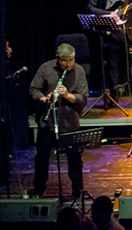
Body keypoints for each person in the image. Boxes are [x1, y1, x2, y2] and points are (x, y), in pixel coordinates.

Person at [29, 43, 88, 199]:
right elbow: (33, 89)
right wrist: (45, 98)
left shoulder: (79, 71)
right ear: (58, 59)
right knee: (42, 158)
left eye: (70, 60)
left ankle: (78, 192)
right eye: (63, 60)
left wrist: (68, 95)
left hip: (70, 123)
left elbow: (83, 97)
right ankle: (38, 190)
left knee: (74, 160)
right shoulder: (46, 68)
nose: (67, 64)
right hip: (47, 123)